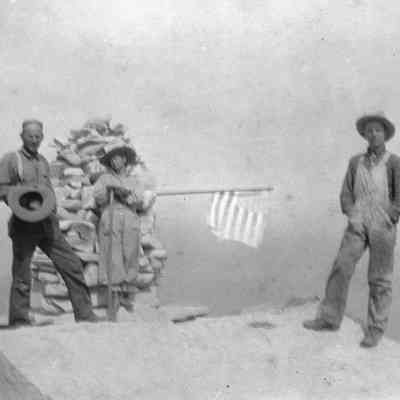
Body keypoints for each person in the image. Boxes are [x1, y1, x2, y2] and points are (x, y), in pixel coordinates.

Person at [303, 112, 400, 348]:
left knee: (380, 278)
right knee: (342, 265)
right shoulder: (356, 162)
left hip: (382, 225)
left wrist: (391, 215)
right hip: (358, 221)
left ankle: (375, 330)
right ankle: (329, 318)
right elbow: (346, 193)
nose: (373, 134)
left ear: (385, 134)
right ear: (364, 135)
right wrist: (351, 213)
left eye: (378, 130)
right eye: (369, 130)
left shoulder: (394, 162)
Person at [0, 119, 99, 327]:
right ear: (22, 136)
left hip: (47, 224)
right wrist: (23, 198)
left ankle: (85, 315)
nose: (34, 140)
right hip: (24, 224)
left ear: (42, 138)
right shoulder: (12, 159)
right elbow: (2, 187)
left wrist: (51, 209)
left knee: (72, 264)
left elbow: (49, 192)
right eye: (30, 136)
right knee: (22, 273)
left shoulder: (43, 161)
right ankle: (19, 321)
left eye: (38, 136)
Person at [93, 140, 155, 314]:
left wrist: (125, 194)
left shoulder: (134, 180)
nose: (115, 162)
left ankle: (127, 296)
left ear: (125, 159)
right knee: (112, 254)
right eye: (112, 159)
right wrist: (108, 191)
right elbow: (98, 197)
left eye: (118, 158)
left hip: (129, 217)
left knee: (130, 252)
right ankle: (113, 298)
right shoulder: (104, 179)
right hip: (110, 215)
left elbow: (139, 199)